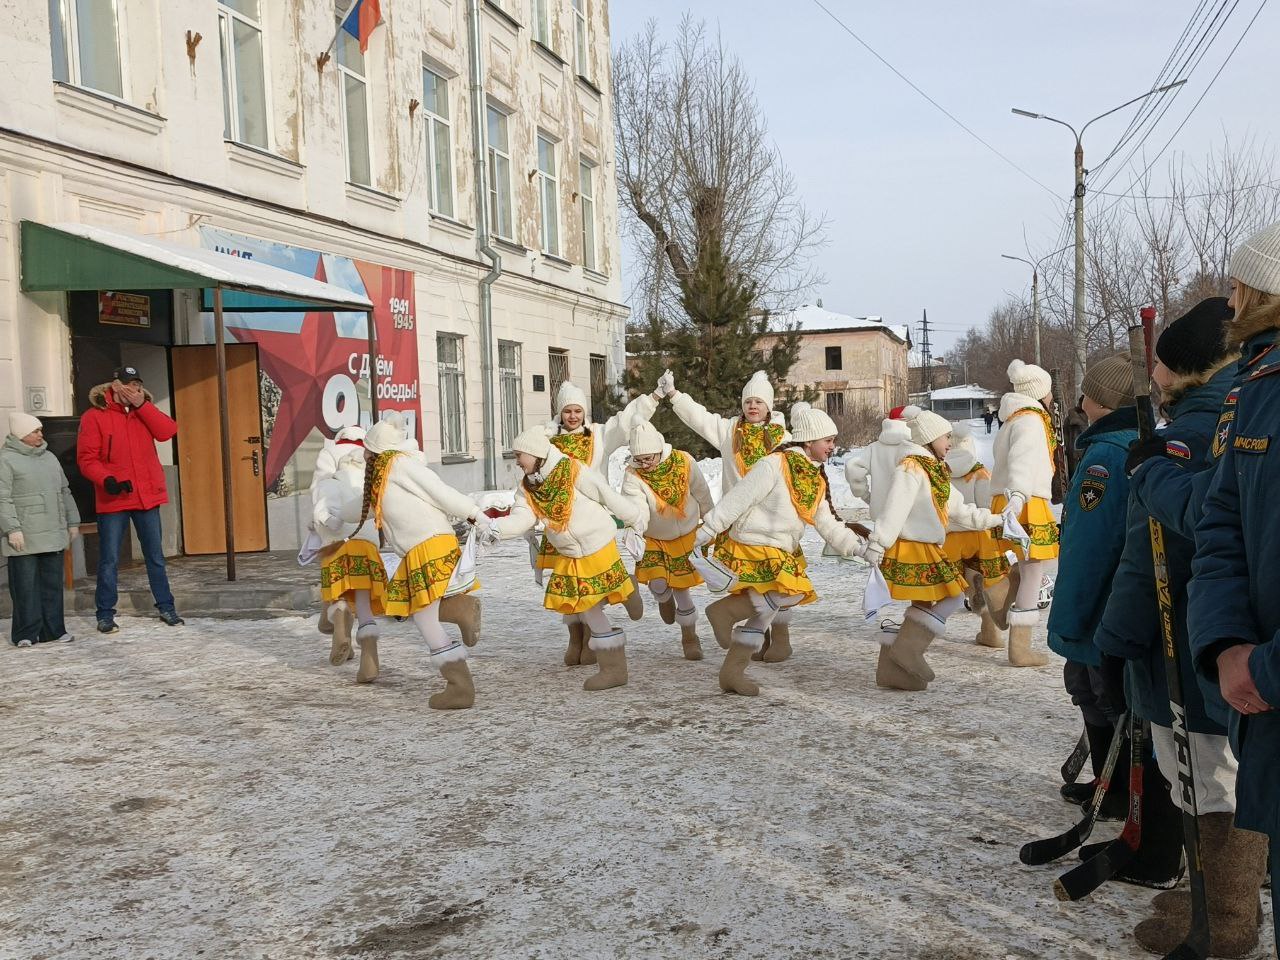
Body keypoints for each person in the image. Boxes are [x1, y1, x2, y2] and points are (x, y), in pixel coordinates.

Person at [1097, 297, 1267, 953]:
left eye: (1162, 366)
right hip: (1223, 631)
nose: (1155, 377)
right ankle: (1211, 892)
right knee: (1212, 773)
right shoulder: (1241, 410)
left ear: (1183, 370)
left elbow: (1148, 559)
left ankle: (1225, 913)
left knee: (1208, 777)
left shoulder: (1198, 431)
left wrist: (1114, 640)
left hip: (1196, 638)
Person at [1188, 220, 1280, 958]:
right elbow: (1223, 522)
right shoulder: (1259, 386)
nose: (1230, 299)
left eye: (1240, 285)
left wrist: (1266, 669)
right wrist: (1225, 644)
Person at [693, 403, 868, 696]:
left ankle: (732, 672)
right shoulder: (774, 464)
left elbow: (827, 523)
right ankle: (723, 612)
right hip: (754, 541)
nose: (832, 446)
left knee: (770, 608)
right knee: (790, 592)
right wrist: (709, 529)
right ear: (809, 441)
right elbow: (739, 498)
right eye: (828, 440)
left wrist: (859, 549)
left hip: (780, 547)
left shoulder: (814, 477)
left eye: (833, 440)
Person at [1044, 355, 1142, 821]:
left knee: (1098, 691)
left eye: (1088, 392)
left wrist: (1070, 613)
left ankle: (1117, 788)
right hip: (1115, 598)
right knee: (1098, 689)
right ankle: (1109, 781)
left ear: (1100, 400)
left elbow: (1090, 543)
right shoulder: (1127, 443)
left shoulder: (1105, 456)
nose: (1081, 399)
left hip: (1100, 602)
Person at [485, 426, 646, 692]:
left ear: (535, 454)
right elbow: (522, 518)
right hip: (570, 552)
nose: (517, 460)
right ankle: (626, 591)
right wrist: (494, 528)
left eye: (519, 454)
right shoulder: (528, 488)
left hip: (598, 542)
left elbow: (604, 493)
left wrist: (634, 518)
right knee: (585, 603)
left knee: (589, 604)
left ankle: (614, 668)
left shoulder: (572, 469)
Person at [862, 408, 1003, 691]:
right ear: (929, 438)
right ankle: (907, 651)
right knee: (950, 596)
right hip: (912, 546)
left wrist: (997, 519)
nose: (950, 443)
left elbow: (960, 510)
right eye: (945, 437)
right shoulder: (911, 468)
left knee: (931, 602)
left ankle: (893, 668)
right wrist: (878, 542)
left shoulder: (934, 470)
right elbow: (895, 509)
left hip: (926, 546)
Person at [352, 420, 489, 708]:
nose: (363, 454)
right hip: (421, 548)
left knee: (424, 618)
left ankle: (460, 687)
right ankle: (462, 610)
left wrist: (475, 513)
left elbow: (439, 491)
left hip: (428, 546)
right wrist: (328, 515)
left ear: (374, 450)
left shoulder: (399, 465)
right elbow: (360, 509)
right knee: (416, 609)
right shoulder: (382, 474)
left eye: (366, 448)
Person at [76, 365, 182, 633]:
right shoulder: (94, 416)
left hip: (147, 497)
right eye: (128, 384)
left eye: (137, 384)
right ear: (114, 386)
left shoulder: (144, 411)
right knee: (109, 559)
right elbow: (87, 459)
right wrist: (107, 479)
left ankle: (166, 607)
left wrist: (143, 406)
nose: (134, 389)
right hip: (114, 498)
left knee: (155, 556)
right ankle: (104, 613)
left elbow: (168, 431)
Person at [621, 421, 714, 661]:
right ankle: (663, 598)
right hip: (655, 536)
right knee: (659, 582)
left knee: (681, 588)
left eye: (648, 458)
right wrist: (635, 528)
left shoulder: (684, 461)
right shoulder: (633, 475)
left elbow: (702, 492)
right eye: (639, 460)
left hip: (685, 535)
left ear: (659, 450)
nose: (645, 465)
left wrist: (711, 521)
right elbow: (636, 507)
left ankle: (689, 637)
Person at [988, 359, 1059, 667]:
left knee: (1028, 565)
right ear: (1039, 393)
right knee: (1034, 570)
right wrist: (1017, 497)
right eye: (1049, 391)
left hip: (1012, 496)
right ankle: (1020, 648)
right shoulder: (1031, 420)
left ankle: (1001, 590)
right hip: (1025, 499)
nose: (1052, 397)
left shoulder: (1014, 419)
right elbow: (1022, 461)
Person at [1, 412, 80, 646]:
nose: (40, 434)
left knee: (52, 585)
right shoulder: (6, 460)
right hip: (24, 534)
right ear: (21, 434)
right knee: (25, 587)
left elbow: (64, 491)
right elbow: (2, 498)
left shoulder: (50, 457)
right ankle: (26, 633)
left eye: (40, 430)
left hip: (52, 530)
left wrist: (72, 521)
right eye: (35, 431)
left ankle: (53, 630)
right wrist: (12, 528)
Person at [311, 449, 385, 667]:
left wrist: (330, 523)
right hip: (365, 548)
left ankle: (340, 615)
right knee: (363, 606)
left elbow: (322, 511)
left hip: (336, 548)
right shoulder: (367, 484)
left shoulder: (329, 483)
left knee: (339, 596)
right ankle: (370, 661)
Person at [943, 420, 1009, 647]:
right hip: (979, 534)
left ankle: (922, 630)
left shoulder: (939, 472)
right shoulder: (979, 472)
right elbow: (986, 505)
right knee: (987, 579)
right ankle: (991, 632)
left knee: (947, 586)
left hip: (950, 536)